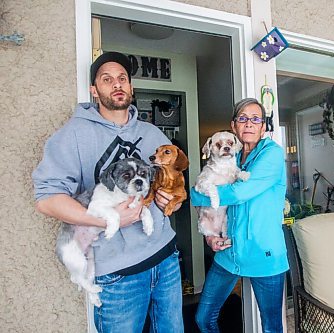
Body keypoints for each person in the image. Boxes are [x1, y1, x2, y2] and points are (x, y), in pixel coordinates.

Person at [32, 52, 184, 332]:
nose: (117, 84)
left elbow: (172, 183)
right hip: (117, 276)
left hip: (166, 259)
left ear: (131, 87)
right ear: (94, 89)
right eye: (107, 79)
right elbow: (47, 199)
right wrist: (105, 220)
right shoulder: (74, 134)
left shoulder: (153, 134)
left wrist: (168, 200)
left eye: (122, 78)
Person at [191, 98, 289, 333]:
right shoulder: (231, 158)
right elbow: (214, 203)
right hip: (229, 251)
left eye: (256, 119)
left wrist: (195, 197)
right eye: (242, 118)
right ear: (233, 126)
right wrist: (210, 237)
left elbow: (239, 193)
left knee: (271, 327)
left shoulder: (272, 154)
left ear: (263, 127)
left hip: (264, 254)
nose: (249, 124)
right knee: (204, 318)